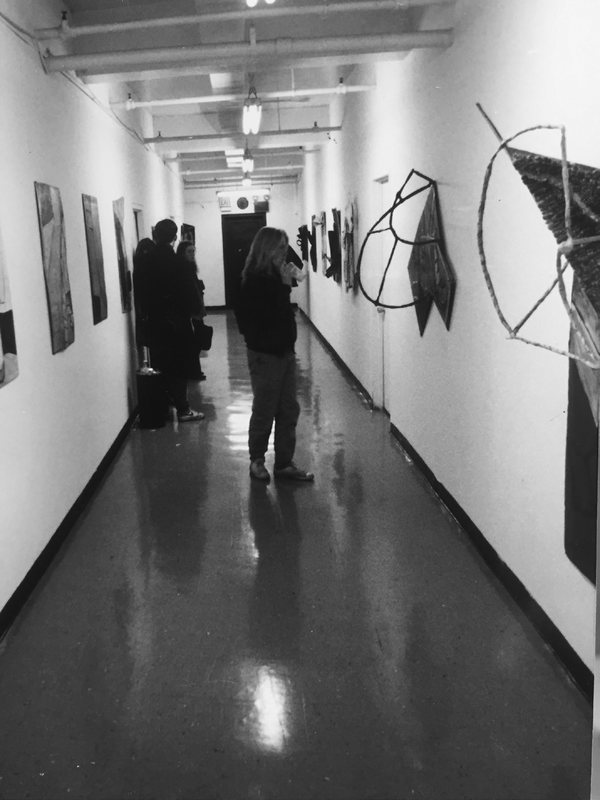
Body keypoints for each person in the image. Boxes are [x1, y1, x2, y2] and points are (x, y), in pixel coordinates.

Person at [235, 226, 314, 482]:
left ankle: (283, 463)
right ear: (266, 249)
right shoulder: (253, 281)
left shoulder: (276, 276)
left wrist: (285, 281)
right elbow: (252, 322)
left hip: (285, 352)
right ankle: (257, 460)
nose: (284, 253)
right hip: (265, 355)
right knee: (265, 409)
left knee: (289, 409)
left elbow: (284, 311)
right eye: (280, 248)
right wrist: (282, 286)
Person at [141, 219, 204, 422]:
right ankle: (183, 409)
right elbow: (188, 293)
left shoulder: (145, 261)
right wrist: (194, 312)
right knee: (179, 365)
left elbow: (143, 292)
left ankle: (164, 406)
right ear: (175, 237)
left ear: (155, 235)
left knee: (159, 363)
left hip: (155, 321)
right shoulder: (179, 263)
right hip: (177, 322)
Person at [176, 240, 207, 380]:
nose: (193, 254)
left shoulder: (189, 267)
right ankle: (193, 371)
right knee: (193, 342)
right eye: (189, 251)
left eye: (194, 251)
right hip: (190, 312)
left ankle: (194, 370)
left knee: (195, 341)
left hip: (195, 310)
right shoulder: (183, 268)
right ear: (182, 253)